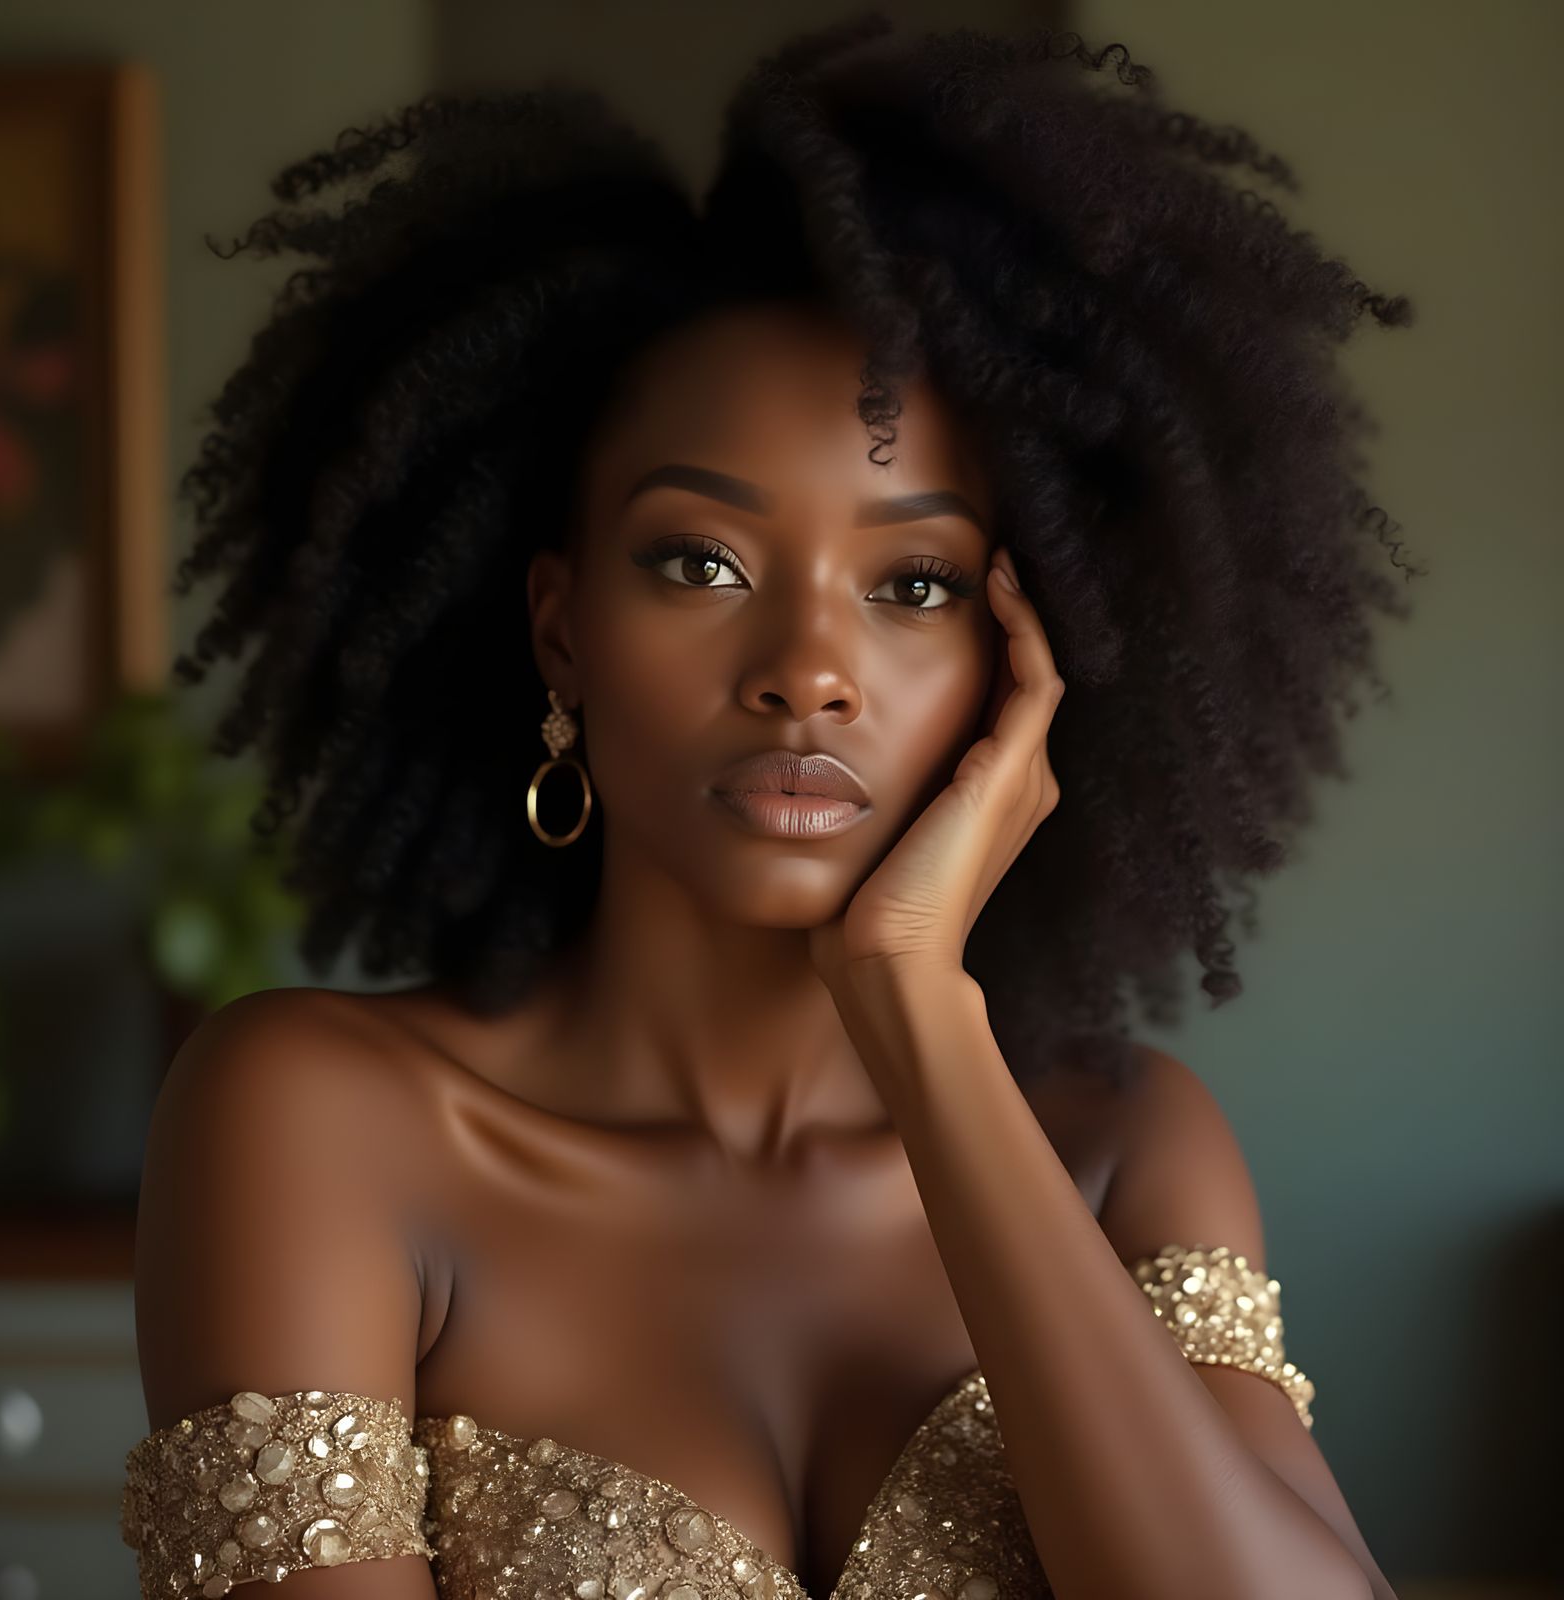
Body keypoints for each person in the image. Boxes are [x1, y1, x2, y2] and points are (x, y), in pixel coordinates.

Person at [118, 14, 1415, 1598]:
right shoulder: (318, 1117)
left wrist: (919, 1018)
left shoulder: (1123, 1146)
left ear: (1028, 656)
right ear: (562, 632)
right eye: (701, 562)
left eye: (915, 583)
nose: (808, 672)